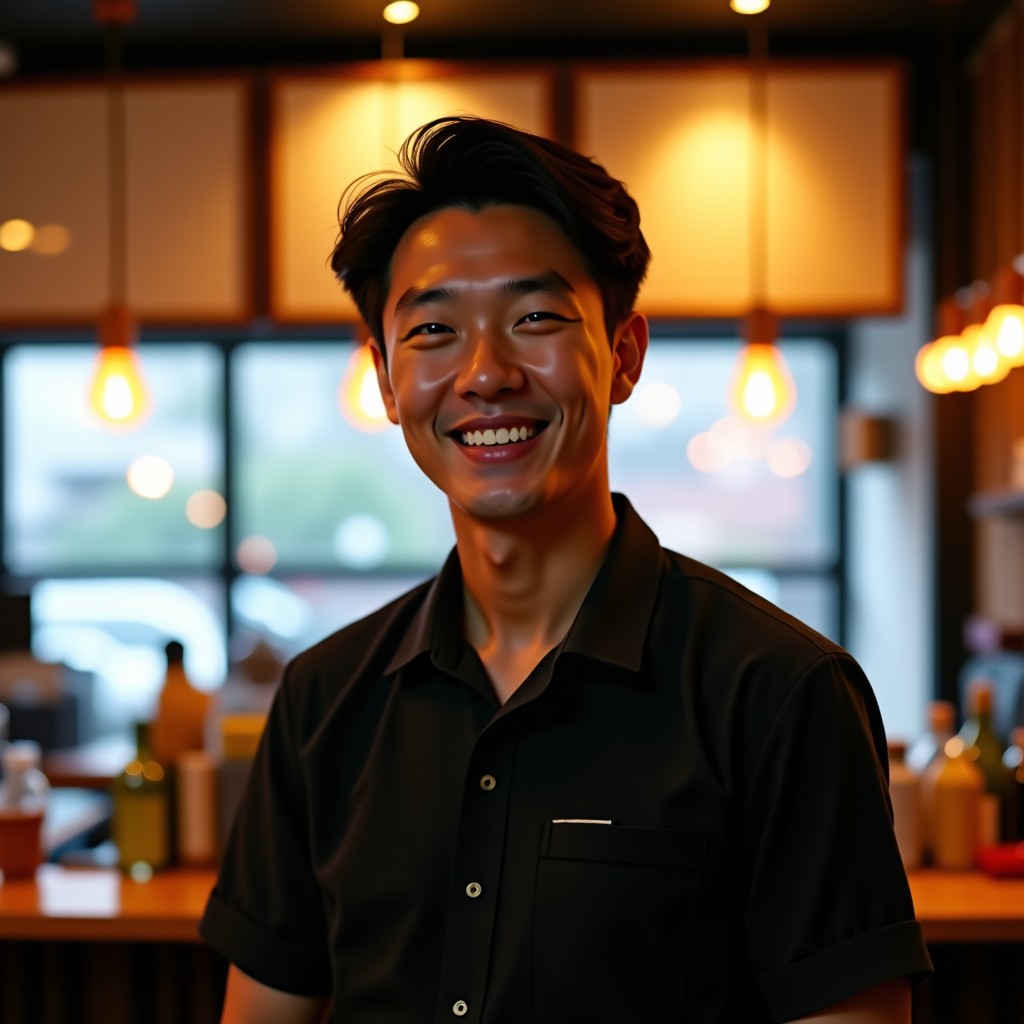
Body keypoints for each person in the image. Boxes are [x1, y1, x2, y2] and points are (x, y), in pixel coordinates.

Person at [200, 115, 932, 1023]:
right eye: (432, 330)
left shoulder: (779, 692)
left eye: (535, 317)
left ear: (622, 355)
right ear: (387, 383)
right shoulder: (322, 702)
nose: (484, 374)